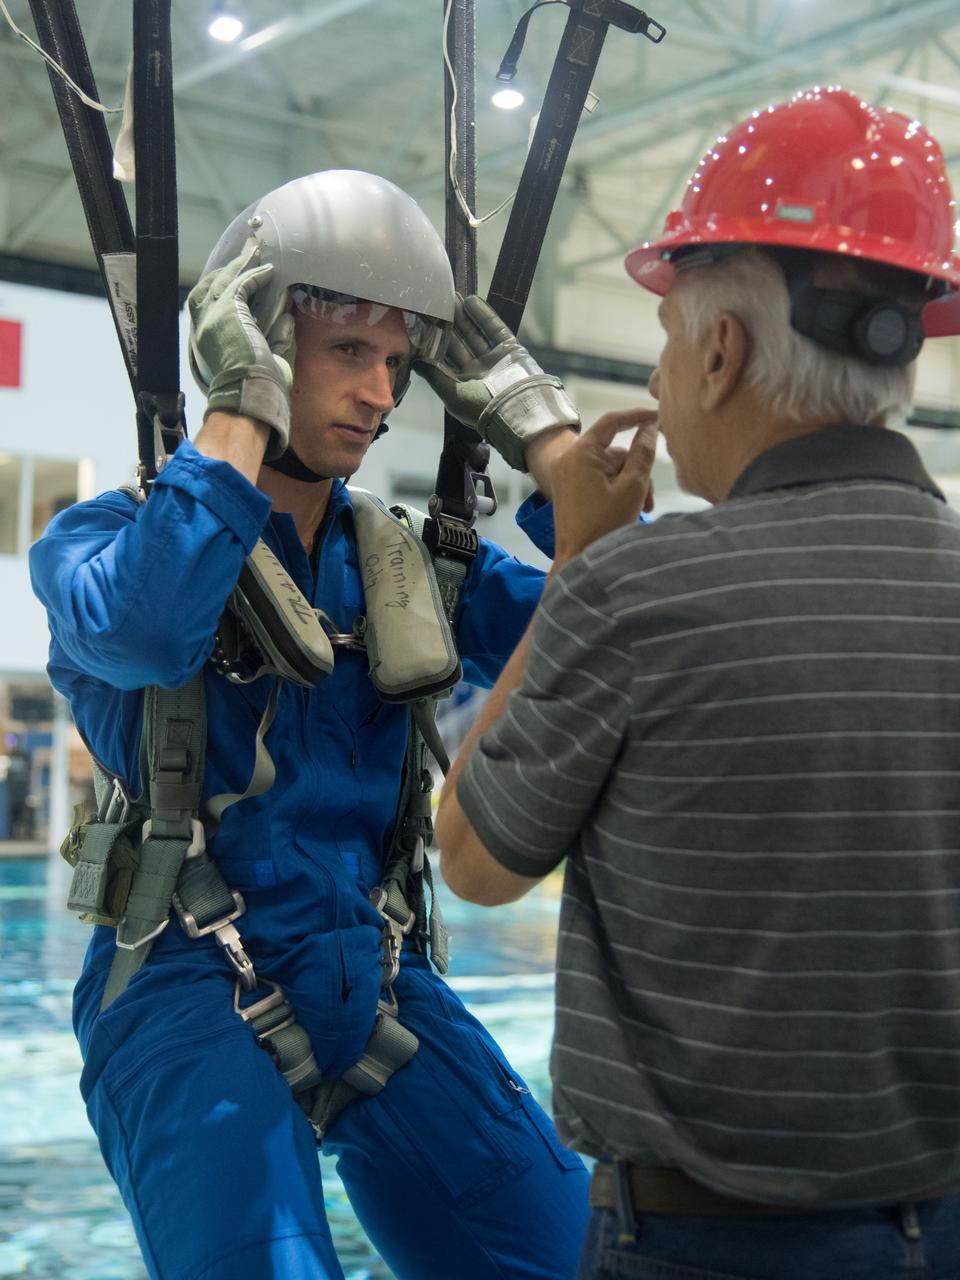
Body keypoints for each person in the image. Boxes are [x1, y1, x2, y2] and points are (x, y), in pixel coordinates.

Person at [434, 86, 960, 1280]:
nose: (666, 384)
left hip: (709, 1245)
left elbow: (470, 857)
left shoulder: (640, 590)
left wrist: (578, 558)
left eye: (671, 343)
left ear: (720, 352)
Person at [29, 169, 594, 1280]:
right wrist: (238, 413)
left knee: (580, 1258)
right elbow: (149, 632)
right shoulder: (101, 541)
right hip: (180, 982)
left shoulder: (413, 565)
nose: (383, 393)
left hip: (378, 977)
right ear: (262, 344)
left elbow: (612, 628)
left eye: (398, 363)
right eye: (349, 353)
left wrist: (547, 444)